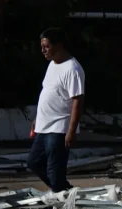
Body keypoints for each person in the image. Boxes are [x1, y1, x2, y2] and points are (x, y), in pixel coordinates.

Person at [27, 27, 84, 193]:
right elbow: (50, 92)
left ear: (58, 45)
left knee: (54, 169)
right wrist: (38, 119)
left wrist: (71, 130)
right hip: (44, 126)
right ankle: (64, 191)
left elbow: (78, 101)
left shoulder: (73, 69)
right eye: (42, 47)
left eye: (46, 46)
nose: (43, 50)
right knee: (34, 162)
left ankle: (62, 202)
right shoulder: (52, 65)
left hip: (59, 128)